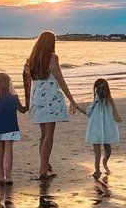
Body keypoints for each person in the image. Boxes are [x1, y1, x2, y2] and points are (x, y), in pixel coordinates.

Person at [22, 31, 81, 180]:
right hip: (50, 100)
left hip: (37, 101)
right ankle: (43, 169)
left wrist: (28, 103)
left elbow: (27, 83)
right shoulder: (52, 58)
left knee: (43, 135)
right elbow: (60, 80)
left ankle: (45, 164)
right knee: (49, 135)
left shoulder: (32, 60)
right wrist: (71, 100)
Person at [0, 72, 27, 185]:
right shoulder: (13, 97)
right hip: (10, 126)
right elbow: (22, 110)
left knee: (0, 150)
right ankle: (8, 177)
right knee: (8, 149)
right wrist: (28, 105)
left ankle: (1, 176)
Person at [83, 78, 121, 178]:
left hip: (106, 127)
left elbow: (115, 112)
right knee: (97, 150)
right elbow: (88, 111)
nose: (100, 91)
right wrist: (75, 106)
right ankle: (97, 170)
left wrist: (116, 116)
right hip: (96, 127)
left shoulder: (109, 100)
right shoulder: (95, 101)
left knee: (107, 149)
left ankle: (104, 163)